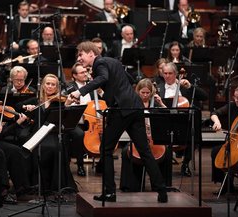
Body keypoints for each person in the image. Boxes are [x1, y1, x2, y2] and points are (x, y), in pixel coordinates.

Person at [70, 41, 168, 203]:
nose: (79, 58)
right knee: (144, 151)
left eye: (81, 54)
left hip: (121, 110)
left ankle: (109, 192)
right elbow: (128, 79)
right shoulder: (113, 61)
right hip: (135, 108)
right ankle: (161, 190)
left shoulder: (99, 63)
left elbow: (103, 77)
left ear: (91, 53)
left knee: (105, 149)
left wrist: (80, 91)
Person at [15, 74, 78, 192]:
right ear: (43, 85)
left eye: (53, 84)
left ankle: (53, 185)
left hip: (52, 133)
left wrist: (67, 104)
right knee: (37, 147)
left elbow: (63, 117)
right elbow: (17, 106)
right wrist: (25, 106)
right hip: (36, 133)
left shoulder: (59, 101)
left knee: (54, 147)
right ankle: (38, 184)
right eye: (47, 84)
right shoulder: (36, 100)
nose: (50, 86)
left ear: (57, 87)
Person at [157, 62, 208, 177]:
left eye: (170, 73)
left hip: (184, 122)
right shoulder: (158, 88)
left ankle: (185, 164)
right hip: (165, 122)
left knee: (193, 129)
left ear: (176, 74)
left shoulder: (185, 87)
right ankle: (162, 163)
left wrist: (191, 87)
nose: (167, 76)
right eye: (165, 73)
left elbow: (204, 96)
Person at [120, 78, 167, 192]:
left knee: (167, 151)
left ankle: (161, 185)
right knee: (126, 151)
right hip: (136, 138)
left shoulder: (155, 103)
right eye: (143, 93)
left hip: (154, 138)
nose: (145, 95)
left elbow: (168, 116)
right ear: (138, 91)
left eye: (148, 93)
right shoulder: (133, 103)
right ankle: (130, 185)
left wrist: (161, 104)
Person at [210, 84, 238, 194]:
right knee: (216, 151)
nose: (236, 100)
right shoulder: (233, 106)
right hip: (235, 141)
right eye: (235, 97)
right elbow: (215, 113)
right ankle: (226, 185)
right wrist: (217, 121)